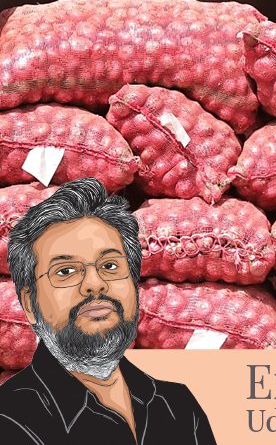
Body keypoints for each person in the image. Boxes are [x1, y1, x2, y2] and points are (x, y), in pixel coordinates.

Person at [0, 178, 216, 444]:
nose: (94, 284)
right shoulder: (11, 419)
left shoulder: (179, 405)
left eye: (110, 266)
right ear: (30, 304)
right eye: (65, 271)